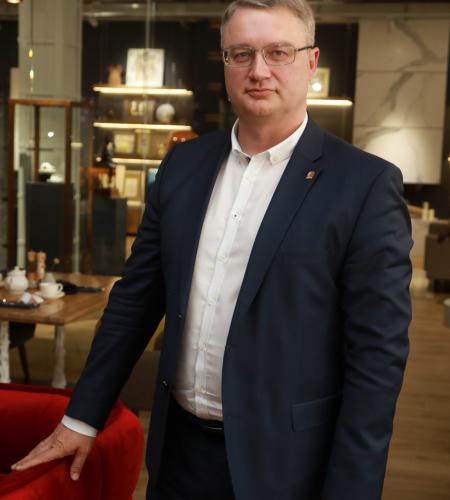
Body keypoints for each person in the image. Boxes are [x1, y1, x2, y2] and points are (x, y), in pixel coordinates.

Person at [12, 1, 412, 499]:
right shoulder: (183, 166)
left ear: (311, 62)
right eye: (241, 53)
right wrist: (81, 418)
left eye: (278, 52)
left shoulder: (364, 185)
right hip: (178, 456)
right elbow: (134, 302)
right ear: (225, 62)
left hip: (289, 465)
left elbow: (376, 361)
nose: (258, 70)